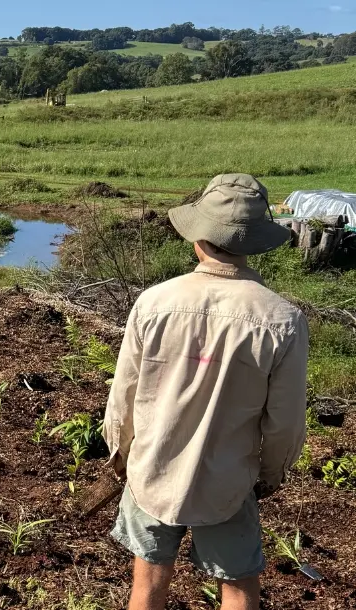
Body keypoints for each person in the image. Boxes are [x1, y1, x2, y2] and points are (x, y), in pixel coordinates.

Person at [103, 174, 308, 610]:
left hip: (152, 473)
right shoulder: (282, 320)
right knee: (237, 587)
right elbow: (286, 422)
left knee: (148, 587)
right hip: (229, 484)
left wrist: (121, 454)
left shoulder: (153, 302)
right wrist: (270, 475)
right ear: (255, 244)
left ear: (199, 237)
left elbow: (123, 397)